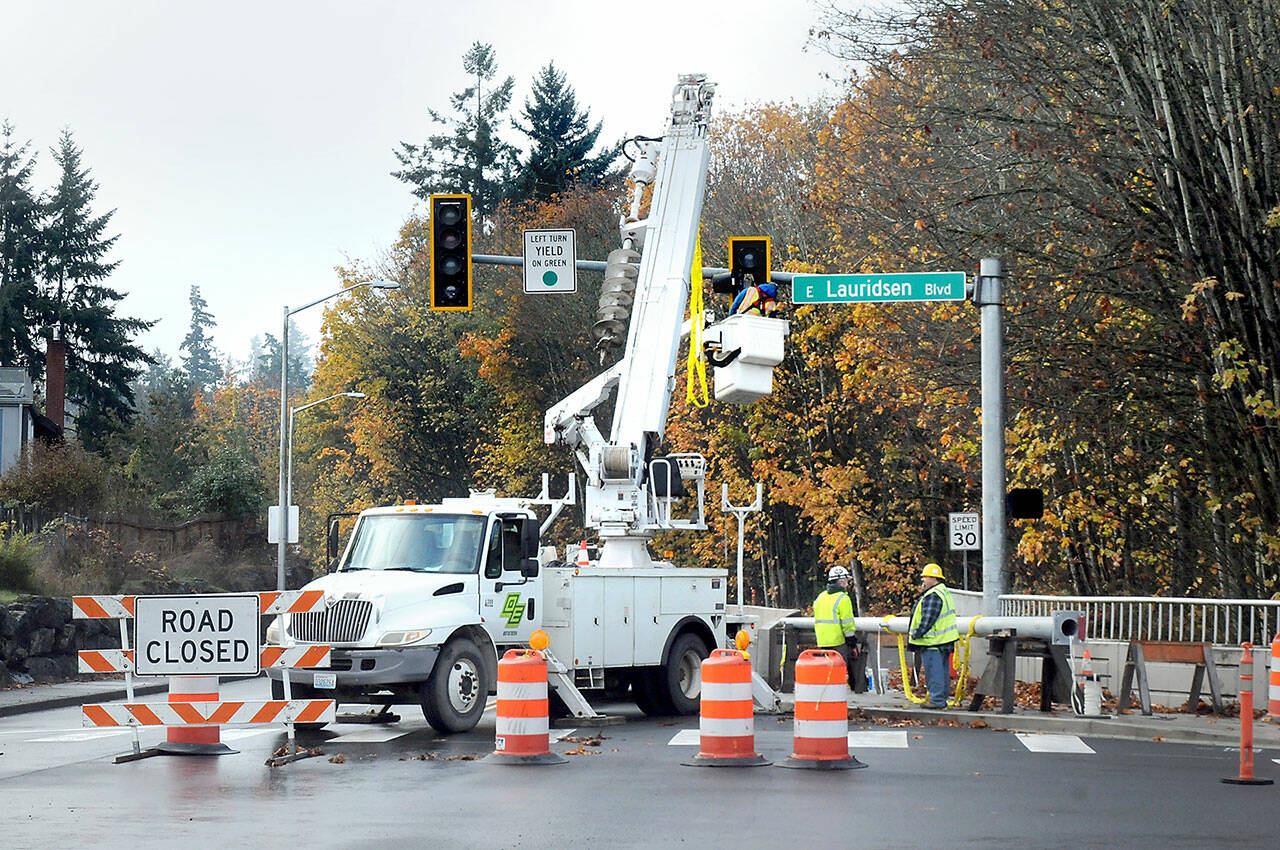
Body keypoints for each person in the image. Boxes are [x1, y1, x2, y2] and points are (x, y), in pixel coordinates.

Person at [909, 562, 959, 709]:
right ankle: (940, 699)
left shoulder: (933, 595)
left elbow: (928, 619)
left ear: (934, 578)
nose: (923, 580)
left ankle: (936, 700)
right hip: (943, 641)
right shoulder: (943, 592)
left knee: (934, 672)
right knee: (942, 672)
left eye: (925, 577)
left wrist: (917, 634)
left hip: (932, 641)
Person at [813, 565, 859, 689]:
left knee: (827, 669)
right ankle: (842, 690)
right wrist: (851, 640)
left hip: (822, 640)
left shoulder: (821, 597)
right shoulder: (843, 598)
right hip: (838, 641)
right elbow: (847, 623)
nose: (847, 584)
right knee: (841, 668)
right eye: (847, 581)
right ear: (841, 581)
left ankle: (826, 690)